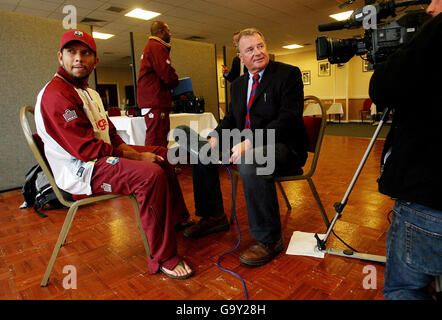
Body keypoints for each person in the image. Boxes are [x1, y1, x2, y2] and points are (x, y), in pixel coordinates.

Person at [34, 29, 194, 279]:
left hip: (98, 158)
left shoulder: (90, 93)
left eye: (85, 53)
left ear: (95, 61)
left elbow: (109, 133)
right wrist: (136, 157)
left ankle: (176, 218)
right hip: (83, 170)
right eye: (72, 52)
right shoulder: (57, 94)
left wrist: (129, 150)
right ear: (60, 57)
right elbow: (85, 150)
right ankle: (164, 257)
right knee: (150, 175)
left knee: (162, 153)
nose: (78, 58)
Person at [184, 28, 308, 266]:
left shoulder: (287, 74)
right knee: (202, 151)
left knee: (251, 160)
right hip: (246, 140)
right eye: (250, 49)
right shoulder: (239, 85)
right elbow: (231, 118)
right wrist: (216, 138)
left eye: (260, 46)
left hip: (283, 145)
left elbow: (288, 120)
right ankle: (214, 216)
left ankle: (270, 239)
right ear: (240, 56)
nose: (258, 52)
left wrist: (250, 142)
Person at [369, 1, 442, 300]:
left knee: (404, 288)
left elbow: (384, 88)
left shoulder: (436, 31)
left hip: (429, 194)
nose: (430, 6)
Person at [137, 21, 179, 148]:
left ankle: (161, 165)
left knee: (160, 136)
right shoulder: (156, 46)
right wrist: (175, 80)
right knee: (156, 138)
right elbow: (167, 75)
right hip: (155, 101)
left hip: (154, 100)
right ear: (161, 31)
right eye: (168, 31)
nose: (170, 34)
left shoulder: (152, 47)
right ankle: (153, 167)